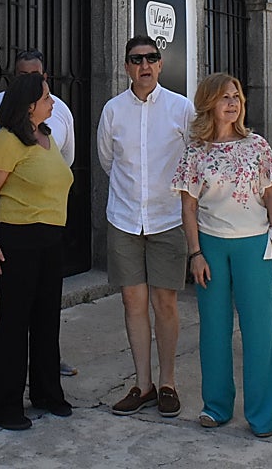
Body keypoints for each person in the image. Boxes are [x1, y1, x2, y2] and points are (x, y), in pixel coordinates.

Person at [172, 73, 272, 436]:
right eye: (225, 97)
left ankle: (262, 415)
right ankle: (216, 406)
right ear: (209, 103)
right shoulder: (195, 151)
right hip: (211, 246)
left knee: (259, 331)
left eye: (236, 96)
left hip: (254, 245)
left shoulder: (257, 146)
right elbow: (188, 207)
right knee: (214, 330)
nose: (233, 103)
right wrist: (195, 253)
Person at [97, 35, 195, 417]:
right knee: (132, 302)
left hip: (168, 219)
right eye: (136, 60)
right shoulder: (112, 111)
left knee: (165, 303)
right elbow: (107, 160)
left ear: (160, 64)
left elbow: (193, 158)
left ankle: (168, 382)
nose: (144, 66)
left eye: (151, 58)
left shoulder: (181, 108)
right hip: (124, 219)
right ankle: (143, 384)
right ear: (126, 66)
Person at [0, 49, 77, 380]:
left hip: (49, 234)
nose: (49, 99)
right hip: (14, 232)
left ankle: (45, 375)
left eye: (38, 77)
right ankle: (0, 365)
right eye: (25, 77)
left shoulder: (54, 122)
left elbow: (67, 160)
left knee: (45, 311)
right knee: (10, 310)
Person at [0, 73, 75, 431]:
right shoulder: (6, 141)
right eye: (47, 97)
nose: (53, 102)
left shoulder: (47, 137)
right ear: (29, 105)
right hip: (18, 239)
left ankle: (47, 393)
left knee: (47, 320)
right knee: (14, 324)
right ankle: (4, 407)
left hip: (50, 240)